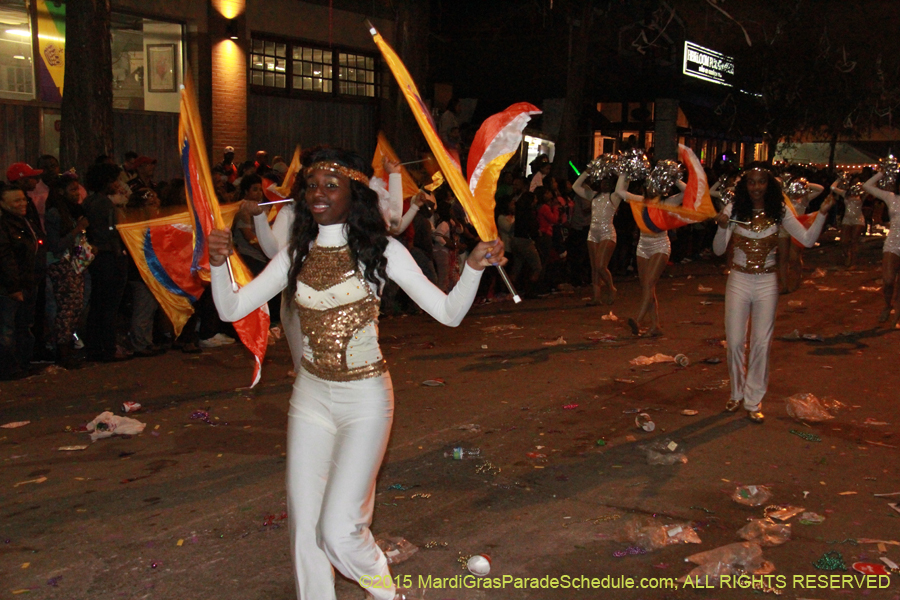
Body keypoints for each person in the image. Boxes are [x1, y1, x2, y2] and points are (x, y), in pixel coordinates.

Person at [207, 147, 504, 600]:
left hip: (365, 401)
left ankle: (387, 595)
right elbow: (232, 307)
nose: (318, 194)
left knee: (339, 529)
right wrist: (217, 263)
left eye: (331, 185)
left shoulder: (382, 251)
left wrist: (472, 270)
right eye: (311, 186)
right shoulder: (296, 252)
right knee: (305, 529)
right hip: (310, 398)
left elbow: (447, 314)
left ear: (356, 193)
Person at [713, 163, 833, 423]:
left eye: (761, 182)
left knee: (761, 344)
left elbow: (808, 239)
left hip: (766, 282)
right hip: (738, 279)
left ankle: (753, 399)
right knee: (734, 342)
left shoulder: (780, 211)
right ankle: (736, 393)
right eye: (752, 182)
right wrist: (722, 227)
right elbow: (719, 250)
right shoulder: (733, 209)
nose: (756, 187)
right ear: (745, 185)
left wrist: (821, 214)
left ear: (770, 184)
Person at [615, 174, 686, 336]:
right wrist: (625, 173)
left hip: (660, 245)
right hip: (643, 245)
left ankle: (638, 320)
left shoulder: (667, 202)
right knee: (647, 286)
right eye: (649, 185)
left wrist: (673, 178)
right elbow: (619, 191)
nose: (652, 189)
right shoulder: (639, 201)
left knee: (649, 284)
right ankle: (655, 325)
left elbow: (689, 192)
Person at [83, 162, 131, 362]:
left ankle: (96, 347)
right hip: (109, 257)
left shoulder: (90, 201)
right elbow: (110, 233)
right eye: (115, 180)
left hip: (98, 258)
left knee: (98, 305)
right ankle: (107, 347)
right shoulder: (104, 204)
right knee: (108, 306)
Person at [44, 174, 89, 367]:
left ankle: (68, 347)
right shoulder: (55, 213)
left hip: (72, 263)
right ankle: (62, 351)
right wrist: (77, 229)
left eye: (77, 189)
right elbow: (56, 245)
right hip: (60, 264)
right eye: (72, 189)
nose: (76, 193)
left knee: (75, 306)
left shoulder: (70, 211)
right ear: (61, 192)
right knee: (66, 309)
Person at [0, 182, 39, 379]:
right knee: (8, 329)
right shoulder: (5, 225)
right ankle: (8, 368)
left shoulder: (24, 221)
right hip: (12, 286)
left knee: (23, 326)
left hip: (27, 282)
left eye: (23, 199)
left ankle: (22, 364)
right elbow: (6, 258)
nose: (21, 203)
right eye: (16, 200)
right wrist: (14, 287)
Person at [573, 171, 620, 304]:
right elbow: (575, 187)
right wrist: (587, 172)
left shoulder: (614, 197)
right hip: (593, 232)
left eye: (607, 183)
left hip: (607, 232)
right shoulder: (593, 195)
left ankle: (611, 288)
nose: (604, 184)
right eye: (602, 182)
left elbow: (622, 187)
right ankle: (596, 297)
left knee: (600, 266)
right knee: (594, 267)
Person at [862, 170, 900, 324]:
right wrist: (883, 172)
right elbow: (867, 186)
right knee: (888, 280)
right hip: (893, 242)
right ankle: (887, 305)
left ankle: (897, 315)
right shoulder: (891, 198)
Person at [777, 176, 824, 293]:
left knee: (794, 258)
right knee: (783, 258)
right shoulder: (783, 197)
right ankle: (784, 285)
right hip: (783, 229)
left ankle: (796, 280)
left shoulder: (804, 198)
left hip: (797, 230)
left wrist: (804, 184)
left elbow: (820, 189)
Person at [831, 177, 866, 268]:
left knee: (854, 241)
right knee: (843, 241)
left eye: (857, 183)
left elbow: (872, 187)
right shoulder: (845, 193)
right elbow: (832, 188)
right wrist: (839, 179)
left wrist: (863, 186)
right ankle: (848, 255)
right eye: (854, 183)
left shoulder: (862, 194)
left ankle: (853, 262)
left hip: (858, 219)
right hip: (847, 218)